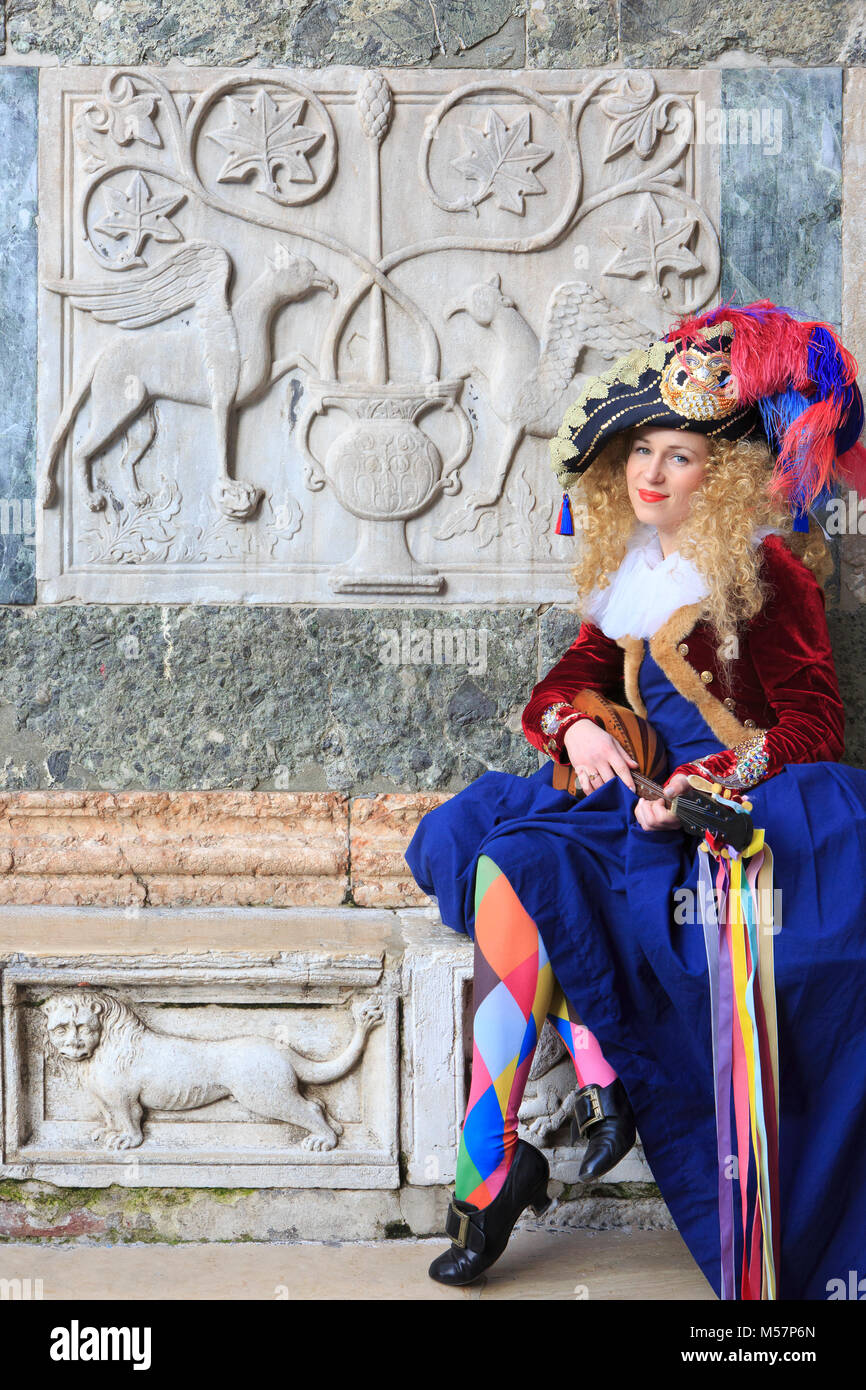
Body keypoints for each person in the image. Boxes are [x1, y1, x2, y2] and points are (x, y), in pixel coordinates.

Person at [403, 300, 866, 1299]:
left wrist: (705, 784)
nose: (651, 473)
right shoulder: (622, 576)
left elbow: (811, 726)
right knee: (500, 849)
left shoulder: (764, 569)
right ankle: (509, 1151)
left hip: (739, 806)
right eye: (639, 452)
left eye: (680, 456)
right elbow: (563, 680)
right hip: (621, 800)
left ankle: (505, 1161)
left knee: (525, 868)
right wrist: (570, 724)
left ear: (726, 473)